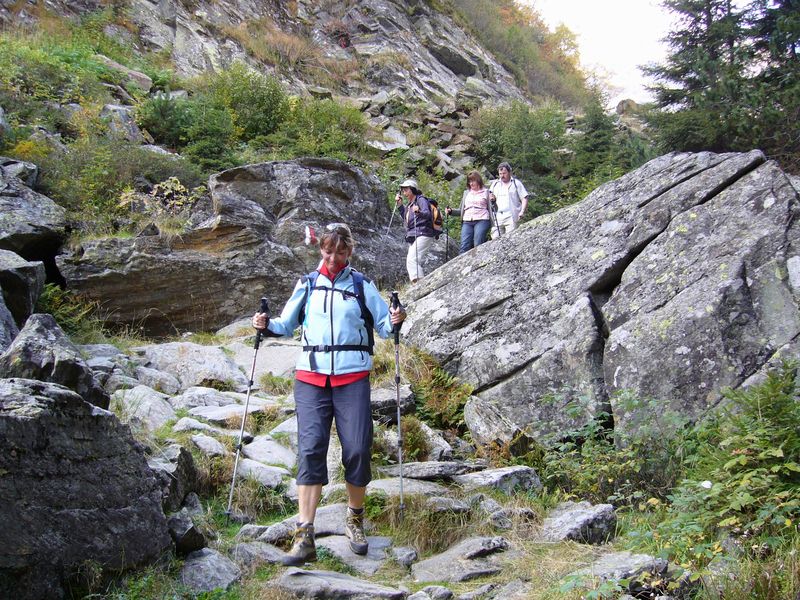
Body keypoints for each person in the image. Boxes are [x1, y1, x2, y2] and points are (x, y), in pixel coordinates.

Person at [251, 224, 406, 566]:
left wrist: (397, 318)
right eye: (328, 251)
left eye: (340, 252)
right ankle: (304, 535)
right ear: (320, 250)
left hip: (352, 378)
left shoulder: (362, 285)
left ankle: (355, 519)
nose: (333, 258)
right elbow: (285, 324)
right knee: (310, 450)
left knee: (358, 449)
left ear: (350, 252)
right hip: (311, 378)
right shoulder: (307, 284)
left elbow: (385, 327)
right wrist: (265, 324)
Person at [395, 179, 436, 283]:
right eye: (403, 190)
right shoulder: (410, 204)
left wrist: (419, 212)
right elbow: (407, 219)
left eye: (406, 189)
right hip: (414, 234)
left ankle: (419, 284)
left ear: (413, 189)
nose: (404, 191)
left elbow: (427, 214)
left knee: (411, 259)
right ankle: (419, 283)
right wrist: (400, 205)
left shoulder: (421, 200)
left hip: (423, 232)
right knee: (413, 260)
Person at [446, 171, 492, 254]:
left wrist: (493, 200)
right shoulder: (466, 193)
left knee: (478, 243)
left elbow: (493, 207)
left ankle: (479, 260)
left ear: (478, 180)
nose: (471, 183)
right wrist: (451, 211)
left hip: (482, 219)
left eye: (473, 181)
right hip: (467, 221)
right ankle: (462, 262)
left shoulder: (487, 192)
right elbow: (461, 210)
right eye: (469, 181)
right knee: (464, 245)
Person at [488, 162, 530, 235]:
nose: (502, 176)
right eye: (500, 174)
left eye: (504, 173)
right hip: (497, 217)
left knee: (510, 237)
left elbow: (524, 197)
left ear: (509, 172)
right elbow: (490, 196)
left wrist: (522, 211)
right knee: (495, 238)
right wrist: (491, 198)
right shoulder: (495, 184)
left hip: (511, 216)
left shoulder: (516, 183)